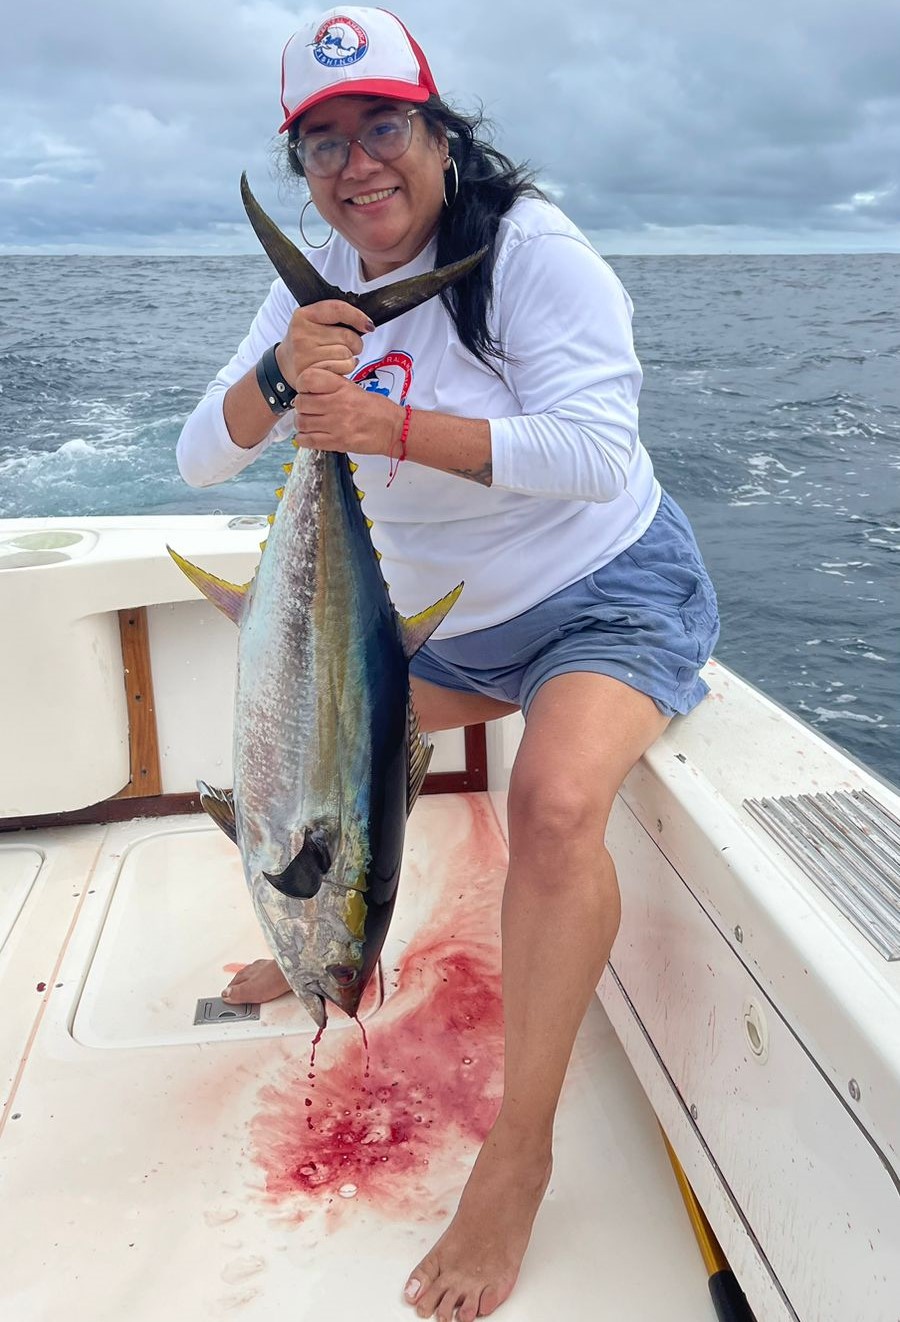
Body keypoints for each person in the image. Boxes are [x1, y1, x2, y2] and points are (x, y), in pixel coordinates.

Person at [176, 8, 720, 1319]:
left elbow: (597, 453)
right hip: (453, 625)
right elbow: (205, 454)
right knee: (300, 764)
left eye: (384, 127)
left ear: (433, 128)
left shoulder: (533, 252)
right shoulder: (314, 266)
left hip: (609, 599)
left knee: (552, 801)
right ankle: (317, 939)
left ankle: (518, 1154)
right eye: (323, 144)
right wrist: (278, 369)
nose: (358, 166)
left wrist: (388, 428)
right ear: (301, 165)